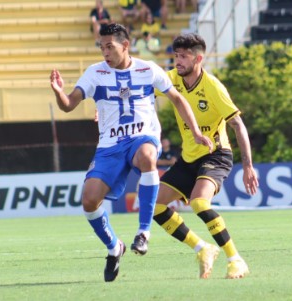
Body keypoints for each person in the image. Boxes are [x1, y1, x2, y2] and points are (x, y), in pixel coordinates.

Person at [50, 23, 212, 282]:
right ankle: (115, 247)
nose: (104, 52)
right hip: (109, 146)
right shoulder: (94, 73)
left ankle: (143, 233)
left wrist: (195, 132)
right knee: (89, 201)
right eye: (101, 47)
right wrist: (59, 93)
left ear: (125, 45)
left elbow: (178, 99)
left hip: (142, 137)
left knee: (148, 157)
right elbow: (69, 105)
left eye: (109, 46)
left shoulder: (148, 69)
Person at [153, 33, 259, 279]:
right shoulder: (171, 79)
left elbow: (238, 125)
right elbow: (140, 86)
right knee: (154, 207)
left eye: (183, 56)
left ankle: (236, 259)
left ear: (198, 58)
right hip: (188, 158)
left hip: (216, 155)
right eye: (175, 56)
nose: (177, 61)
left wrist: (248, 166)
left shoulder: (213, 87)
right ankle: (203, 248)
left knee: (200, 203)